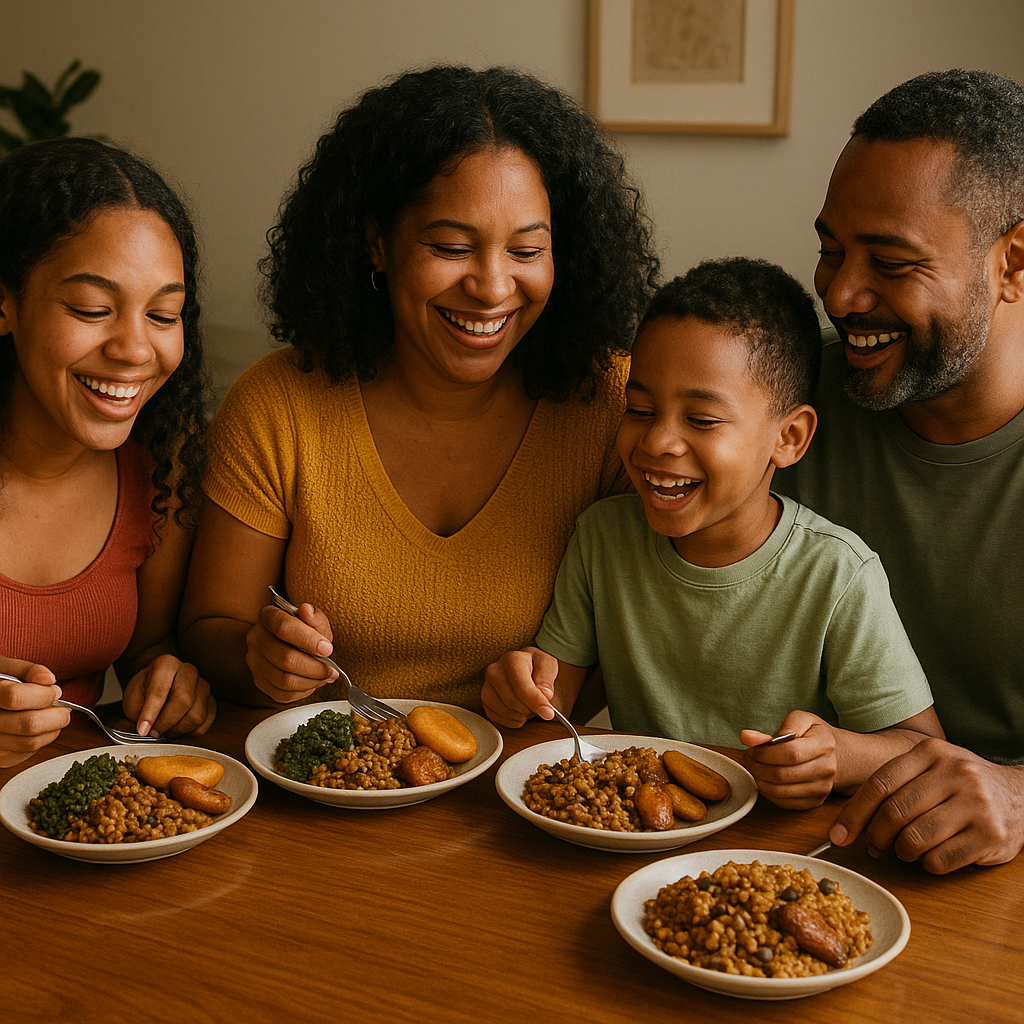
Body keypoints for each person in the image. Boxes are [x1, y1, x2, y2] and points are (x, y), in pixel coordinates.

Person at [178, 65, 659, 710]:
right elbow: (209, 629)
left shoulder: (615, 405)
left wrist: (557, 690)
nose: (491, 287)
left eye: (525, 252)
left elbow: (651, 635)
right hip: (325, 781)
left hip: (528, 786)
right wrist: (262, 658)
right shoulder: (280, 405)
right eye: (452, 247)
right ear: (377, 244)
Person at [482, 257, 942, 808]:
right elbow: (561, 704)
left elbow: (920, 750)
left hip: (776, 852)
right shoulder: (602, 537)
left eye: (701, 420)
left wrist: (836, 755)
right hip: (637, 831)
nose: (658, 442)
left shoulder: (838, 574)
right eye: (640, 408)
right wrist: (522, 690)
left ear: (789, 437)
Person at [777, 68, 1024, 870]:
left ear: (1014, 263)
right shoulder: (777, 407)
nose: (841, 293)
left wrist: (1018, 796)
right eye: (830, 249)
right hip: (779, 855)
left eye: (890, 262)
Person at [0, 138, 215, 767]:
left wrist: (170, 681)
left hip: (73, 823)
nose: (134, 349)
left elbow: (148, 649)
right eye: (92, 308)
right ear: (6, 301)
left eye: (164, 314)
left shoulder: (162, 462)